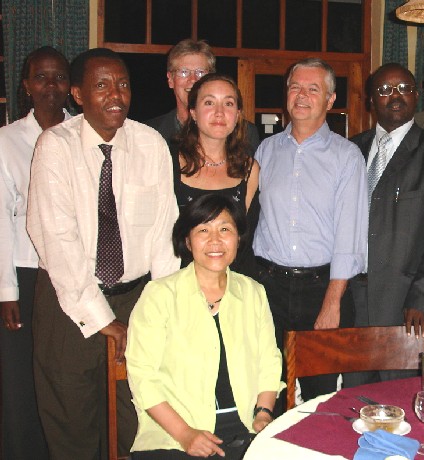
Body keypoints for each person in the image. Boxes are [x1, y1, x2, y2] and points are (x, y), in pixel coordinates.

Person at [26, 48, 180, 459]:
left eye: (123, 84)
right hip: (68, 304)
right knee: (72, 424)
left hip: (137, 301)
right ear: (77, 94)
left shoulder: (150, 144)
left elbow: (164, 235)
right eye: (102, 85)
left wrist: (165, 310)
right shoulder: (55, 146)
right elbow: (57, 241)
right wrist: (103, 321)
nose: (116, 94)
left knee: (139, 422)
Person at [126, 194, 282, 460]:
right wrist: (185, 434)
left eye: (225, 229)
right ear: (187, 241)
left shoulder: (253, 292)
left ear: (238, 238)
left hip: (244, 428)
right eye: (203, 230)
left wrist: (263, 414)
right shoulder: (159, 294)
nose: (215, 240)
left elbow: (269, 361)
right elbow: (142, 377)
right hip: (172, 437)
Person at [253, 58, 367, 406]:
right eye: (295, 87)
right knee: (268, 390)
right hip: (268, 288)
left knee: (320, 398)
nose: (301, 95)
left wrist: (332, 302)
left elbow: (350, 235)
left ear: (330, 100)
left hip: (321, 289)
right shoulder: (266, 150)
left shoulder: (347, 157)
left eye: (313, 89)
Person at [345, 63, 424, 386]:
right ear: (371, 100)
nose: (395, 96)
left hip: (405, 306)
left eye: (404, 89)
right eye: (385, 90)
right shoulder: (351, 150)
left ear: (416, 96)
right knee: (352, 398)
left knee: (400, 399)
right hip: (352, 302)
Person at [0, 45, 71, 460]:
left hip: (72, 275)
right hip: (25, 274)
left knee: (63, 377)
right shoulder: (7, 141)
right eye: (41, 77)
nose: (51, 85)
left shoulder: (84, 133)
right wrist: (6, 290)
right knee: (21, 378)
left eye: (59, 76)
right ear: (27, 85)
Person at [174, 73, 260, 278]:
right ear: (193, 112)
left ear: (237, 114)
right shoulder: (169, 162)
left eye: (228, 104)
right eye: (209, 103)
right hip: (179, 281)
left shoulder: (249, 168)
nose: (219, 112)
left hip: (231, 281)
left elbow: (242, 239)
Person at [147, 39, 259, 155]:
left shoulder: (246, 133)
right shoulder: (149, 133)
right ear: (170, 79)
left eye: (200, 72)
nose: (193, 80)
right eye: (184, 72)